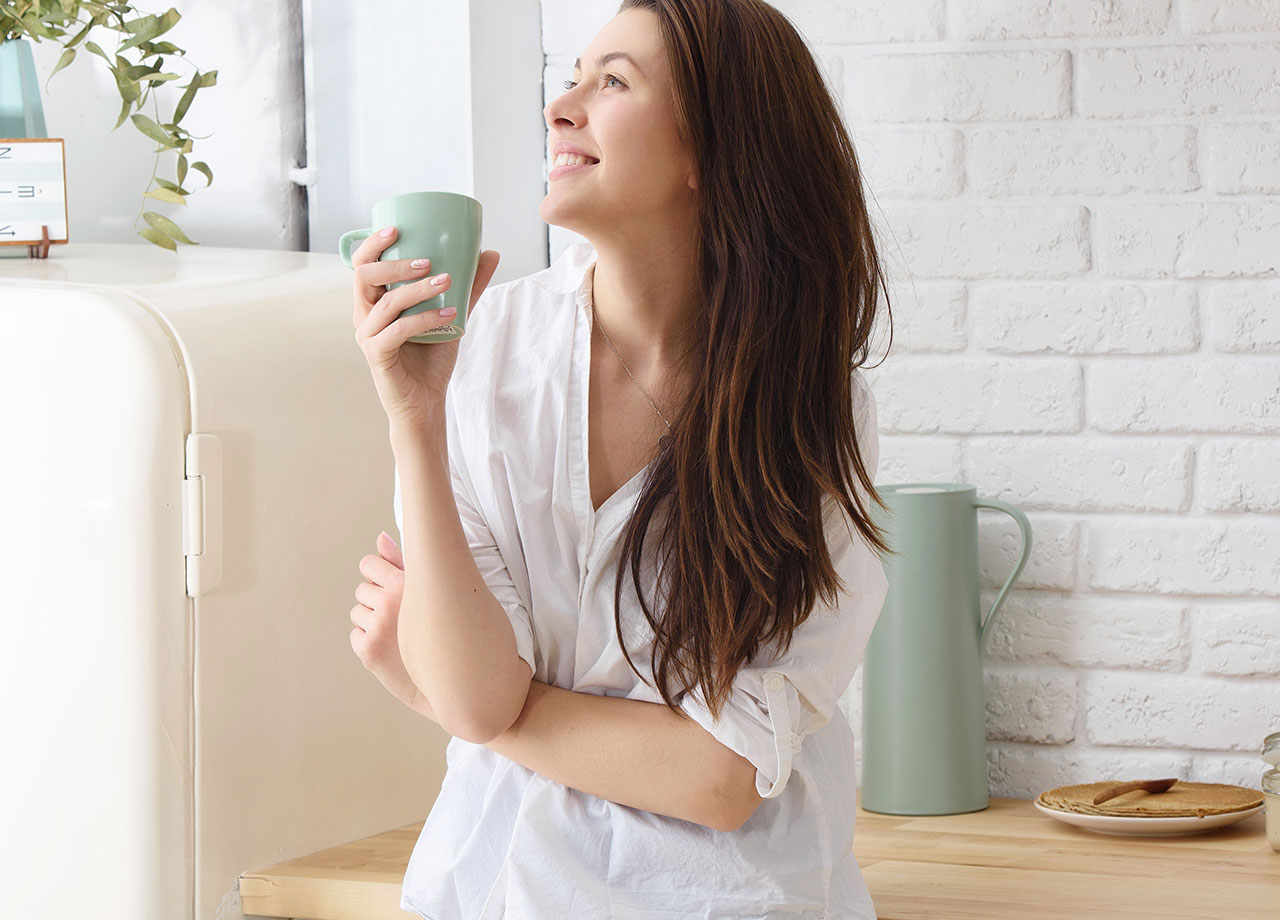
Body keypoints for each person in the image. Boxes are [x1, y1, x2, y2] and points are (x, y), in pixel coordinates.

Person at [347, 1, 897, 917]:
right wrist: (414, 417)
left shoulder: (808, 413)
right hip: (496, 894)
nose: (562, 106)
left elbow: (721, 779)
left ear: (709, 153)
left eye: (613, 82)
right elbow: (481, 699)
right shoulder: (487, 353)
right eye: (572, 77)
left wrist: (435, 688)